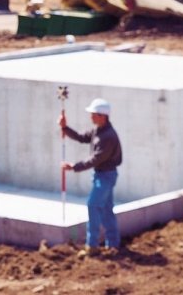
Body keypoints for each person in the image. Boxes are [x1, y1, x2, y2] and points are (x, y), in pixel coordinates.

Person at [59, 98, 123, 257]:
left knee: (93, 205)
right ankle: (113, 244)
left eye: (94, 114)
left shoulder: (107, 136)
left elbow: (95, 159)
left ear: (102, 116)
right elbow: (82, 137)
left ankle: (92, 245)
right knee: (106, 209)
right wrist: (65, 128)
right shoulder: (99, 131)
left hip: (105, 176)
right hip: (101, 175)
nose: (91, 117)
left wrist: (74, 167)